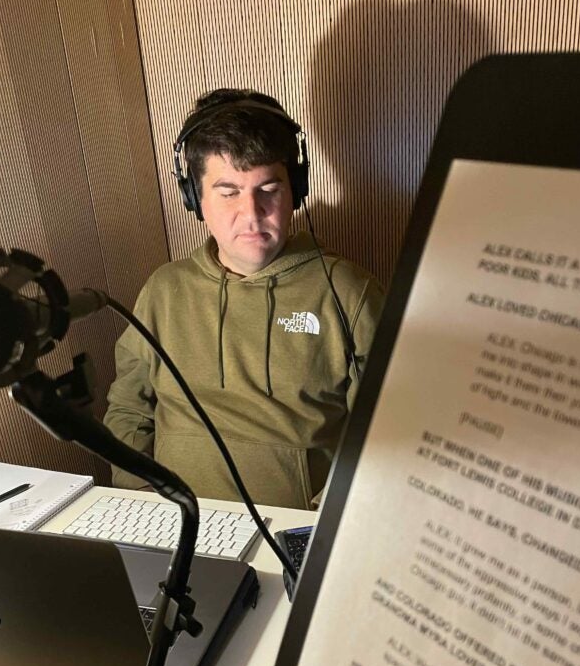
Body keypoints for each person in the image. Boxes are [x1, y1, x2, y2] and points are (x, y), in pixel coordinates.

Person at [103, 89, 384, 509]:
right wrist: (141, 497)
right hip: (173, 522)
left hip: (295, 529)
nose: (251, 214)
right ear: (194, 197)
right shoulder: (163, 290)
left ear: (296, 190)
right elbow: (128, 407)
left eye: (268, 188)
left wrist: (335, 511)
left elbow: (383, 431)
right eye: (228, 191)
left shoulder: (350, 293)